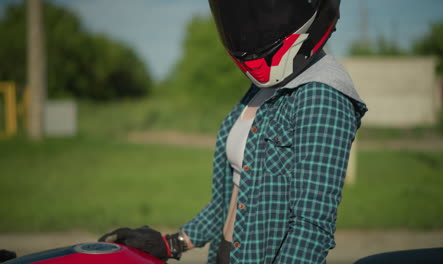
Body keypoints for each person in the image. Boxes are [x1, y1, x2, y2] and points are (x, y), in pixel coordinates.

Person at [99, 0, 367, 263]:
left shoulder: (323, 94)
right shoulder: (265, 87)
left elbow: (311, 230)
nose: (250, 28)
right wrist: (173, 243)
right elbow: (232, 200)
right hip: (226, 253)